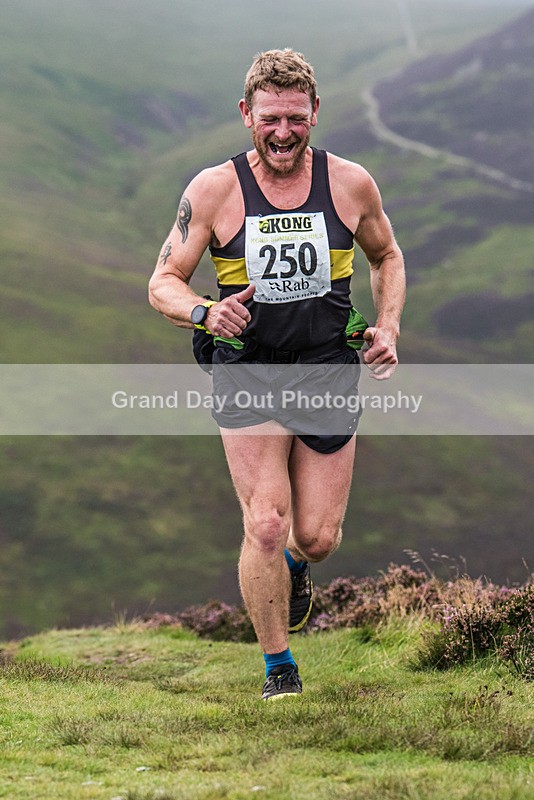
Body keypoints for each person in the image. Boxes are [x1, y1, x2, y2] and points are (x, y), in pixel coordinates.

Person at [148, 49, 405, 700]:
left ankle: (294, 565)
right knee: (264, 521)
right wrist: (207, 313)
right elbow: (162, 283)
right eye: (270, 119)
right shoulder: (214, 189)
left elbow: (387, 256)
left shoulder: (350, 184)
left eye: (296, 118)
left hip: (326, 363)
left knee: (316, 536)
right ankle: (278, 668)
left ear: (315, 112)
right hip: (249, 366)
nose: (284, 132)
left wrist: (389, 326)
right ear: (246, 115)